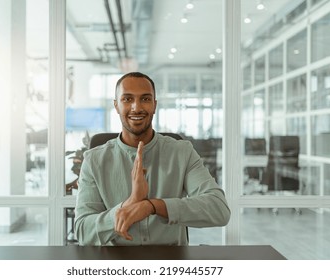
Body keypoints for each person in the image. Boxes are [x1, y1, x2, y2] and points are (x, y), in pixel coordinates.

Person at [74, 72, 230, 245]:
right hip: (117, 265)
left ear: (154, 105)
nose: (136, 107)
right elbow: (82, 231)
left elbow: (219, 210)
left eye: (145, 99)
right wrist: (128, 205)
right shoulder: (94, 160)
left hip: (170, 265)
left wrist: (153, 206)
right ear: (116, 106)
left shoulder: (182, 152)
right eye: (127, 99)